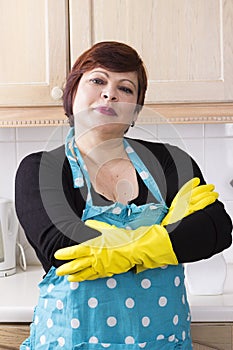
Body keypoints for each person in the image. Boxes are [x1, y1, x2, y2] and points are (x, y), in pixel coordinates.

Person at [15, 41, 232, 349]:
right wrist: (161, 241)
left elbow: (216, 229)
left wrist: (122, 249)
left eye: (126, 88)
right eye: (97, 80)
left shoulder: (169, 162)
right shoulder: (42, 168)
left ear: (135, 111)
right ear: (72, 92)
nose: (110, 93)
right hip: (71, 341)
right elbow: (60, 247)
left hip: (161, 341)